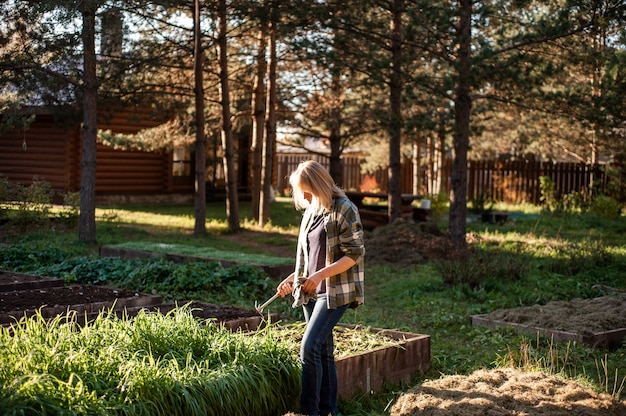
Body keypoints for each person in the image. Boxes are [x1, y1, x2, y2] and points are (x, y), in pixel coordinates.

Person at [277, 160, 365, 416]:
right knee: (324, 351)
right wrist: (295, 278)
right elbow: (311, 255)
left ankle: (309, 411)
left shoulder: (344, 209)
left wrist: (319, 275)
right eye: (300, 191)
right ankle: (329, 410)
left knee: (309, 347)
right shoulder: (311, 211)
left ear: (318, 185)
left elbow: (354, 254)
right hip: (312, 290)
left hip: (335, 290)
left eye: (306, 190)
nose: (302, 196)